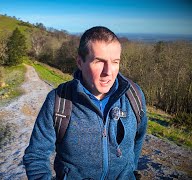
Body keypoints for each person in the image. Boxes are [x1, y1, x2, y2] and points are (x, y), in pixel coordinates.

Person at [23, 26, 148, 180]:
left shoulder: (134, 95)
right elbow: (36, 155)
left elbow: (139, 137)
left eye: (115, 62)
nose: (108, 72)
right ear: (80, 62)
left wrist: (130, 172)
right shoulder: (58, 101)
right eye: (99, 62)